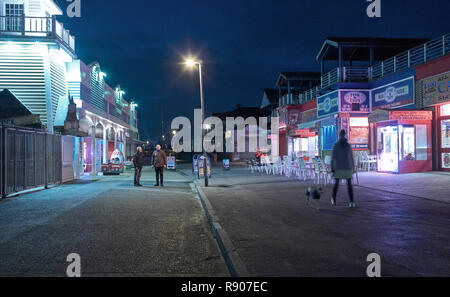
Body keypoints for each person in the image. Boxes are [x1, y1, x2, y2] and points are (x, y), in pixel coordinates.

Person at [331, 130, 356, 208]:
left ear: (339, 135)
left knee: (336, 184)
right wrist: (353, 167)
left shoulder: (335, 145)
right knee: (349, 185)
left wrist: (332, 167)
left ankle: (333, 199)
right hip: (347, 167)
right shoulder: (348, 145)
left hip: (338, 167)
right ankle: (351, 201)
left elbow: (333, 158)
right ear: (345, 135)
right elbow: (351, 158)